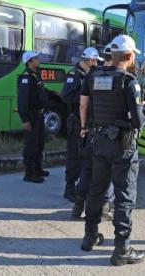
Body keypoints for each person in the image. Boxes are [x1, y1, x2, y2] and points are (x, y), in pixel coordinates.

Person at [79, 35, 145, 266]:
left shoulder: (93, 76)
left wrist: (83, 128)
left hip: (98, 142)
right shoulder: (129, 81)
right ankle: (122, 250)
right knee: (124, 196)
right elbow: (137, 121)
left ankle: (89, 237)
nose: (135, 58)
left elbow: (84, 105)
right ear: (128, 57)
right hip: (122, 146)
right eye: (134, 55)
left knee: (96, 190)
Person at [60, 47, 102, 202]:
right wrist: (85, 96)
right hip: (76, 121)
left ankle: (82, 186)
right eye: (95, 60)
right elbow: (66, 96)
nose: (96, 63)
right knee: (74, 154)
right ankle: (69, 188)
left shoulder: (89, 74)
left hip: (87, 120)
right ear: (90, 60)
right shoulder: (74, 74)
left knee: (85, 155)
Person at [17, 51, 49, 183]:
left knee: (39, 143)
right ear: (29, 61)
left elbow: (41, 92)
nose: (38, 60)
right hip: (31, 115)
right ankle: (29, 174)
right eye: (36, 58)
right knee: (31, 145)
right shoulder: (26, 78)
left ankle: (37, 168)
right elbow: (22, 101)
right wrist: (25, 120)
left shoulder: (36, 75)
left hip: (39, 114)